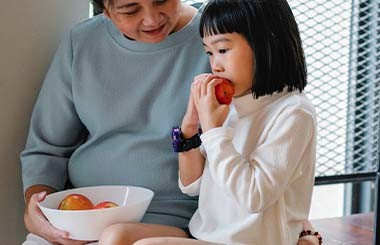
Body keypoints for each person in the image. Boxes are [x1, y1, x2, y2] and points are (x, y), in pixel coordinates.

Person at [21, 0, 320, 244]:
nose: (151, 18)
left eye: (162, 0)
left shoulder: (222, 32)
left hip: (180, 222)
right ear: (105, 9)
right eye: (130, 9)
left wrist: (301, 229)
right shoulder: (81, 42)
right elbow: (46, 149)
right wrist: (37, 209)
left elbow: (272, 152)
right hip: (81, 217)